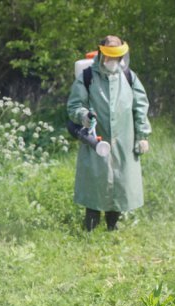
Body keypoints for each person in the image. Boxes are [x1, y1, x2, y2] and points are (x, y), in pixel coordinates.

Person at [67, 35, 152, 231]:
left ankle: (112, 229)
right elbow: (74, 105)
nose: (113, 62)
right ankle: (90, 230)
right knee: (95, 185)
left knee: (120, 184)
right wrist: (84, 115)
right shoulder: (87, 77)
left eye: (117, 58)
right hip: (96, 140)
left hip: (124, 141)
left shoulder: (129, 77)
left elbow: (140, 107)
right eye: (110, 57)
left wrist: (142, 136)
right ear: (102, 55)